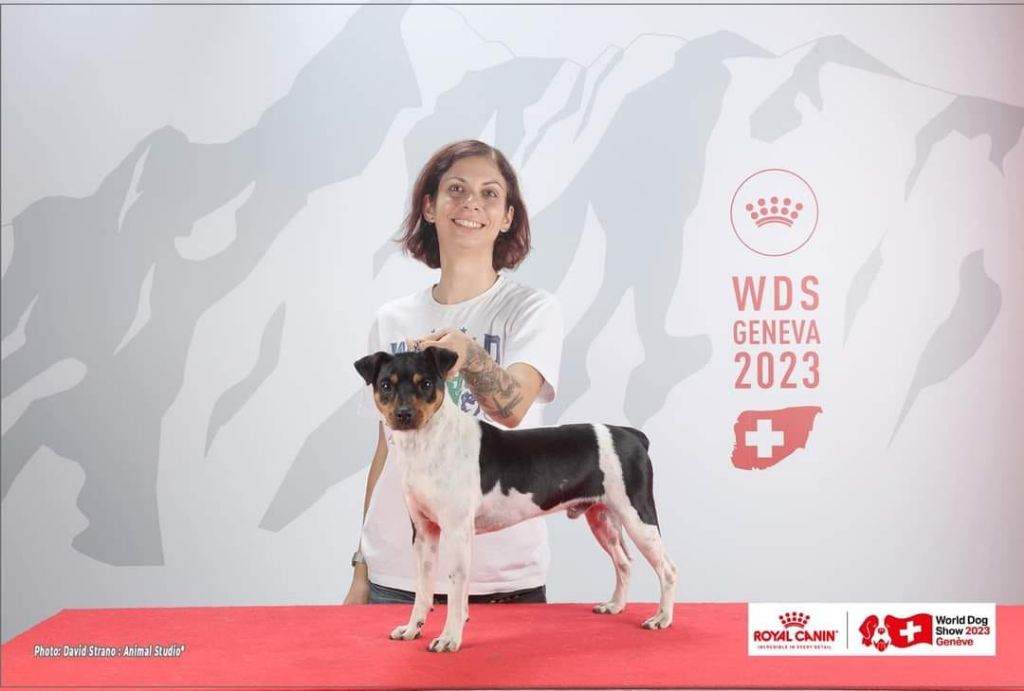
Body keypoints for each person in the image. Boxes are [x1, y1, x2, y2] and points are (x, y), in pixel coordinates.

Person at [344, 140, 564, 606]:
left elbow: (512, 409)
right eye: (456, 189)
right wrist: (362, 565)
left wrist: (469, 355)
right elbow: (386, 450)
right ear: (429, 206)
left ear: (507, 217)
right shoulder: (392, 319)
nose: (471, 203)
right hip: (395, 579)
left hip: (502, 582)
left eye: (489, 193)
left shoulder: (531, 310)